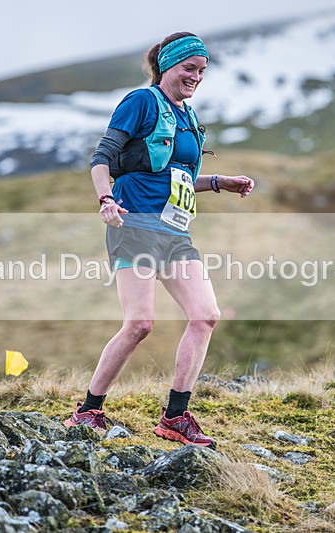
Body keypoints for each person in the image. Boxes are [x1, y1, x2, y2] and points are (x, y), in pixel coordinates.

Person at [64, 31, 254, 450]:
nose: (196, 77)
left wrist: (220, 182)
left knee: (205, 315)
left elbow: (176, 178)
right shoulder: (141, 102)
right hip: (134, 226)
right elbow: (102, 158)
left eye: (202, 71)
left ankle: (175, 417)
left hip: (175, 232)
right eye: (189, 68)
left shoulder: (187, 116)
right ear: (167, 65)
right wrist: (106, 199)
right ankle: (88, 410)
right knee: (140, 324)